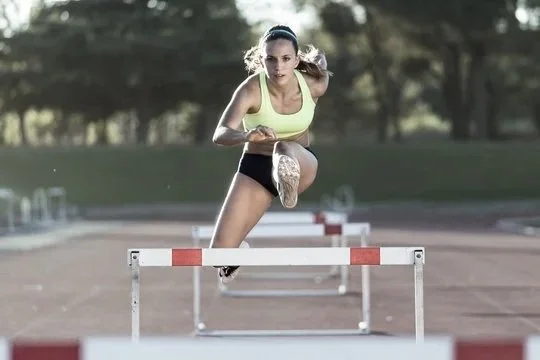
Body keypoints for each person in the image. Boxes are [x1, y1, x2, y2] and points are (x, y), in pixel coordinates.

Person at [210, 24, 331, 283]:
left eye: (286, 59)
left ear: (296, 60)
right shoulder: (251, 89)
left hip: (300, 162)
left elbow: (323, 71)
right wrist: (246, 135)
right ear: (261, 60)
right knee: (218, 255)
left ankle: (286, 181)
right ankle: (236, 250)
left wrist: (320, 59)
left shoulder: (312, 85)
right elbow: (220, 133)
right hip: (256, 167)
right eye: (271, 59)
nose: (279, 67)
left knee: (283, 147)